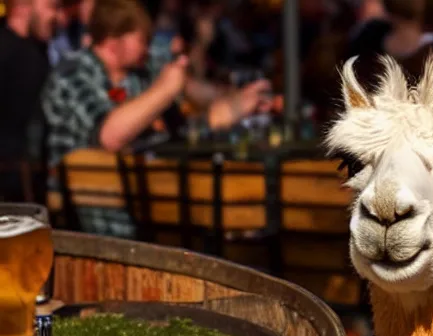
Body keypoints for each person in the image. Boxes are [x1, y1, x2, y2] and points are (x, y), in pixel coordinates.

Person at [42, 0, 273, 168]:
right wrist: (165, 89)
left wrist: (228, 108)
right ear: (113, 41)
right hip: (90, 214)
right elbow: (108, 137)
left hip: (145, 202)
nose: (148, 49)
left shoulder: (137, 75)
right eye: (142, 40)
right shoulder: (72, 74)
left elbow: (173, 133)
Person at [0, 0, 60, 203]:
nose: (57, 17)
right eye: (52, 6)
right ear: (23, 5)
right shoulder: (7, 50)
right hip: (12, 185)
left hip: (31, 181)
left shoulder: (37, 50)